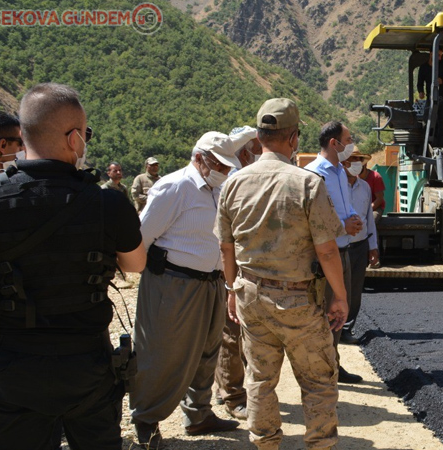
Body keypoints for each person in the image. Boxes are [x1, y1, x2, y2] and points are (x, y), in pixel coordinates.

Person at [0, 83, 146, 448]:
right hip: (88, 364)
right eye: (85, 135)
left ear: (22, 135)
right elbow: (135, 264)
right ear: (73, 138)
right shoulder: (107, 204)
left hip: (8, 366)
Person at [216, 97, 349, 450]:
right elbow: (326, 249)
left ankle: (265, 445)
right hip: (298, 300)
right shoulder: (306, 183)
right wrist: (340, 295)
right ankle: (320, 445)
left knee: (259, 381)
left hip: (250, 296)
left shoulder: (233, 183)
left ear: (259, 138)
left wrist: (232, 290)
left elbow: (226, 248)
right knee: (318, 381)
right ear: (294, 139)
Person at [130, 132, 242, 448]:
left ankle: (198, 415)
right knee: (162, 352)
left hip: (210, 282)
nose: (223, 169)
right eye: (217, 163)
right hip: (173, 283)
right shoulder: (173, 187)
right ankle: (146, 421)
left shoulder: (217, 190)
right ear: (198, 158)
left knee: (207, 351)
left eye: (226, 165)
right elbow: (141, 238)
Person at [304, 121, 365, 383]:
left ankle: (334, 365)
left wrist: (352, 219)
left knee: (341, 309)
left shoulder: (340, 172)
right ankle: (320, 370)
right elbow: (310, 220)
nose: (350, 145)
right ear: (333, 143)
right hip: (324, 255)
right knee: (325, 313)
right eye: (347, 139)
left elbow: (342, 207)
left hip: (343, 251)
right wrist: (343, 226)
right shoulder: (313, 174)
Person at [213, 126, 262, 420]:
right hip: (229, 268)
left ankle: (224, 388)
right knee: (232, 334)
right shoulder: (234, 182)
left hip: (234, 266)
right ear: (245, 152)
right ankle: (233, 396)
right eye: (257, 148)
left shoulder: (239, 179)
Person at [340, 151, 381, 344]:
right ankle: (333, 329)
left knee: (355, 291)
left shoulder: (364, 187)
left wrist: (372, 246)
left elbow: (368, 220)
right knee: (337, 289)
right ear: (344, 162)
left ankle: (347, 329)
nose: (356, 164)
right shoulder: (336, 186)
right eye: (353, 160)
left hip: (359, 246)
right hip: (340, 245)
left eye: (359, 161)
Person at [417, 49, 443, 145]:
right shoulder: (423, 67)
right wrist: (421, 92)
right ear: (431, 54)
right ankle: (428, 144)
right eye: (438, 55)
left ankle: (442, 145)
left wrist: (442, 81)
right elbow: (420, 83)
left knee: (442, 121)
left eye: (441, 55)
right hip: (431, 98)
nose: (440, 58)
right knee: (428, 120)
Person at [356, 157, 386, 221]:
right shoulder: (354, 178)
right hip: (359, 208)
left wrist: (367, 210)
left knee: (371, 220)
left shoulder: (376, 177)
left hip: (375, 208)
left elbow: (379, 199)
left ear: (365, 165)